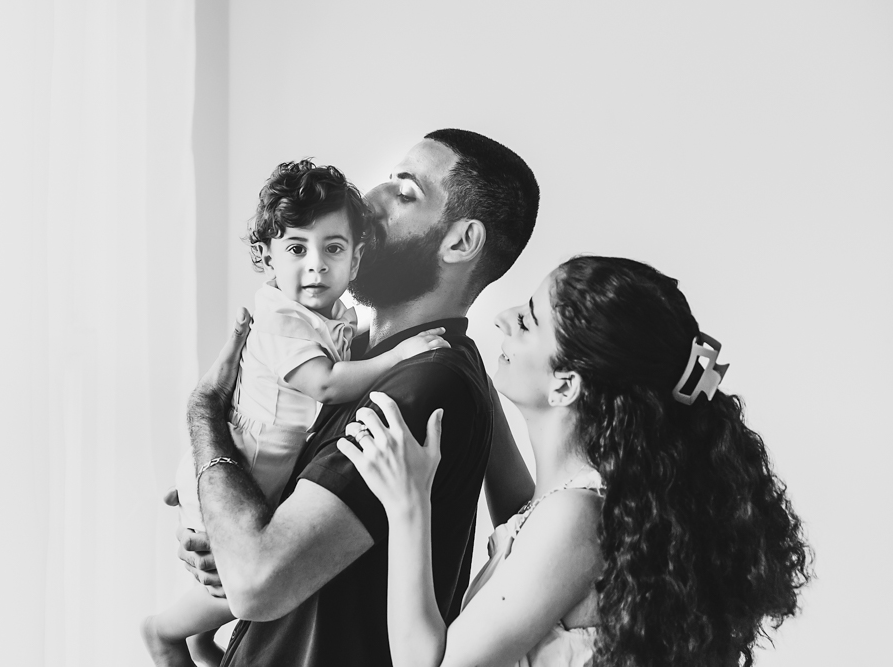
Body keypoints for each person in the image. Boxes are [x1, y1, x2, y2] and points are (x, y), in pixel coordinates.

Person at [340, 256, 813, 667]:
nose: (504, 318)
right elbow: (522, 519)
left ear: (565, 385)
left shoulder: (575, 518)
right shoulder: (570, 507)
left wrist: (408, 502)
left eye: (527, 322)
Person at [178, 129, 540, 666]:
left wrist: (204, 413)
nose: (369, 200)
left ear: (461, 242)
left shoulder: (420, 387)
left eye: (406, 190)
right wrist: (225, 518)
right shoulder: (358, 355)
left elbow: (257, 581)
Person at [142, 160, 449, 666]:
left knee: (237, 576)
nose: (316, 265)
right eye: (296, 249)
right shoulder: (281, 319)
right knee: (235, 576)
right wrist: (398, 357)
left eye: (333, 249)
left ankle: (197, 639)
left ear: (355, 259)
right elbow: (326, 384)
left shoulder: (335, 316)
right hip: (247, 459)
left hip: (270, 462)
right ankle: (165, 632)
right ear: (267, 261)